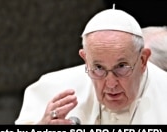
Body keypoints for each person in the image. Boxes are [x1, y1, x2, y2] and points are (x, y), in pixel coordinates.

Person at [15, 8, 167, 125]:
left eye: (121, 66)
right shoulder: (52, 88)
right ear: (85, 59)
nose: (111, 84)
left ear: (143, 60)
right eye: (99, 68)